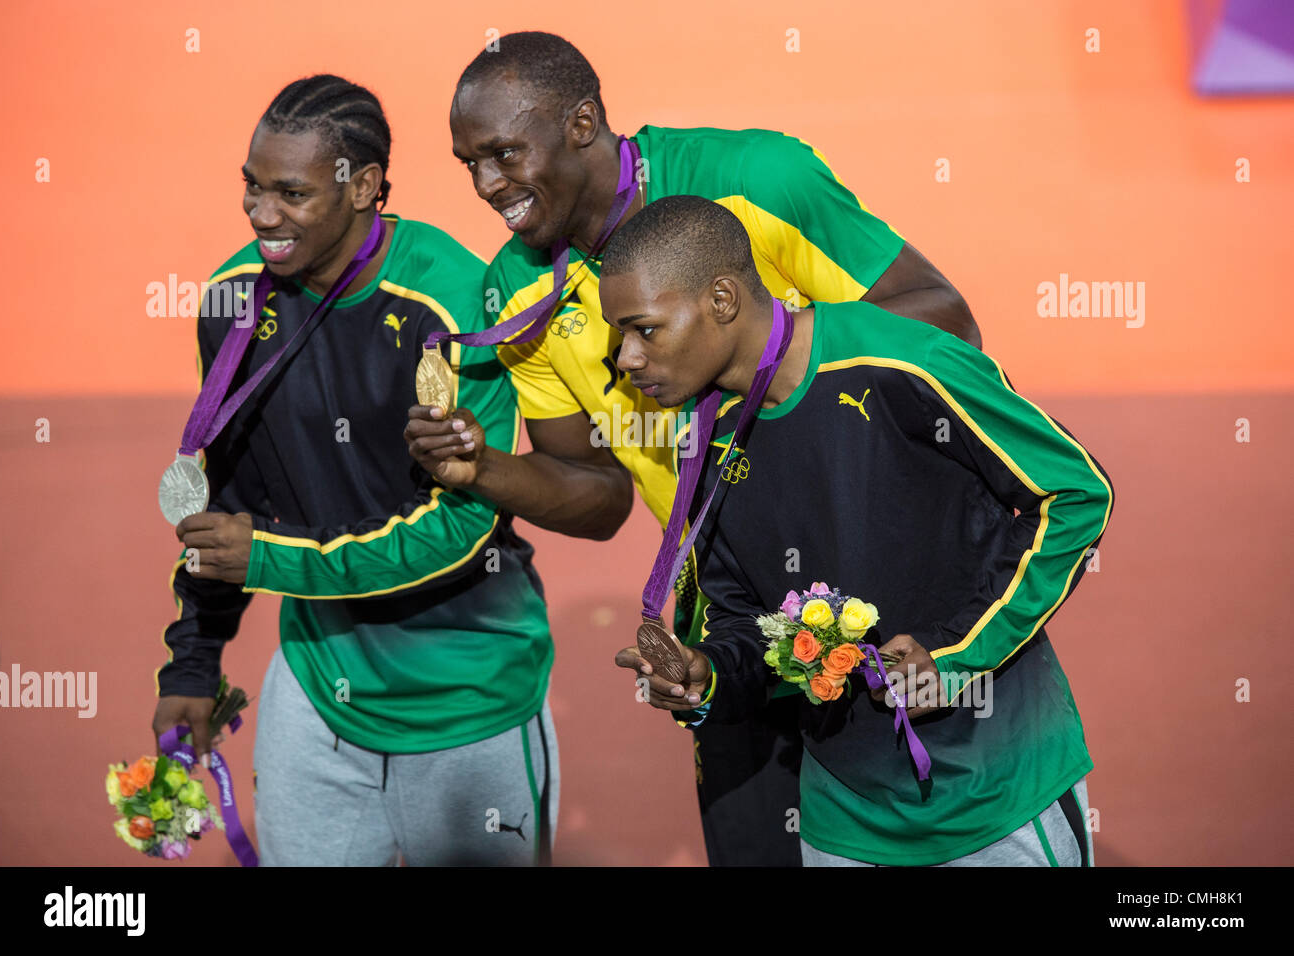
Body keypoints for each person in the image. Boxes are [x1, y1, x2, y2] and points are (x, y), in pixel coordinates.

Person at [405, 30, 980, 867]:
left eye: (503, 154)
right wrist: (483, 470)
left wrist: (781, 376)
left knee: (935, 836)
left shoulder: (757, 181)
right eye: (468, 164)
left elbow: (945, 318)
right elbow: (596, 494)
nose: (488, 185)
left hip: (881, 565)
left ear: (582, 122)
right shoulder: (520, 290)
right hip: (735, 603)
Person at [605, 195, 1112, 866]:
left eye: (643, 329)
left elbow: (1076, 493)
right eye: (620, 335)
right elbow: (746, 622)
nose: (625, 358)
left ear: (722, 299)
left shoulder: (903, 361)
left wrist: (956, 655)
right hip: (840, 823)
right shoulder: (701, 439)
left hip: (994, 797)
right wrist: (708, 677)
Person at [151, 75, 557, 866]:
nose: (262, 214)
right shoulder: (235, 302)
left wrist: (267, 556)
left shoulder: (449, 301)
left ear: (363, 186)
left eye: (291, 193)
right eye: (252, 186)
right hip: (318, 694)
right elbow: (229, 498)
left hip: (469, 700)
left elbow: (459, 529)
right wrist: (195, 661)